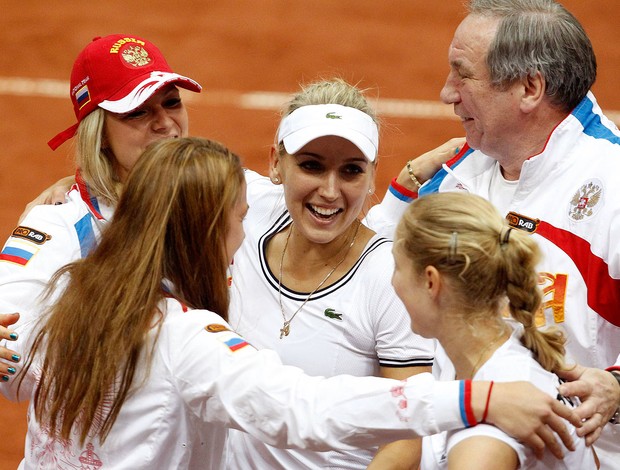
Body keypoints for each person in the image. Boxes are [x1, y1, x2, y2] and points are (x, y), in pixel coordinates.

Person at [4, 137, 580, 468]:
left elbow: (12, 369)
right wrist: (473, 399)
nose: (242, 236)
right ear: (206, 232)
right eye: (236, 220)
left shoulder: (66, 291)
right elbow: (307, 409)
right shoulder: (183, 339)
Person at [366, 1, 620, 467]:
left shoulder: (613, 191)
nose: (447, 93)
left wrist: (619, 389)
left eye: (463, 75)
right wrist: (400, 196)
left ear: (529, 87)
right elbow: (382, 279)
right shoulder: (463, 170)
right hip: (456, 441)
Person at [226, 78, 433, 469]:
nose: (330, 191)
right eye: (311, 166)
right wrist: (74, 190)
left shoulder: (390, 277)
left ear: (372, 176)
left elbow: (410, 434)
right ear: (275, 163)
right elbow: (148, 180)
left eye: (351, 171)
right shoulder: (245, 208)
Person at [0, 33, 201, 371]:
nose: (166, 123)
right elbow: (11, 347)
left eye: (171, 102)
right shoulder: (59, 222)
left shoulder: (227, 192)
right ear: (100, 135)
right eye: (138, 113)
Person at [392, 191, 597, 469]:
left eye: (397, 266)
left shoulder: (486, 441)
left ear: (431, 282)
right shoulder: (509, 347)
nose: (393, 282)